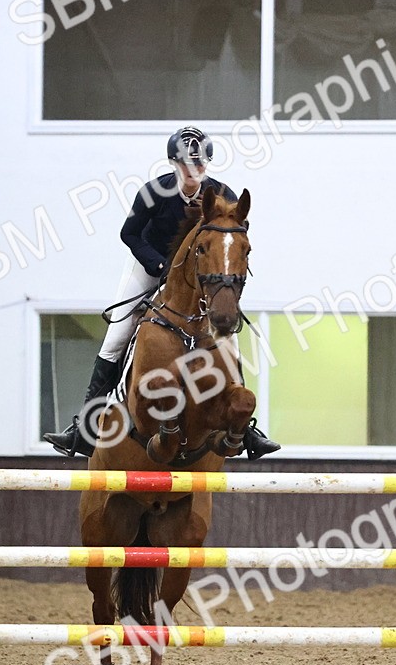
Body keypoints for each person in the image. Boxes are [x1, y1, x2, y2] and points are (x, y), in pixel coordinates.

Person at [44, 126, 280, 460]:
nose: (192, 170)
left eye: (199, 164)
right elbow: (129, 234)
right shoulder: (153, 193)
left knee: (230, 338)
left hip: (198, 273)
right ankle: (85, 427)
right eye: (185, 164)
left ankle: (249, 430)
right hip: (150, 264)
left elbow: (234, 229)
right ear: (173, 164)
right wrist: (158, 266)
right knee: (116, 337)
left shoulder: (222, 193)